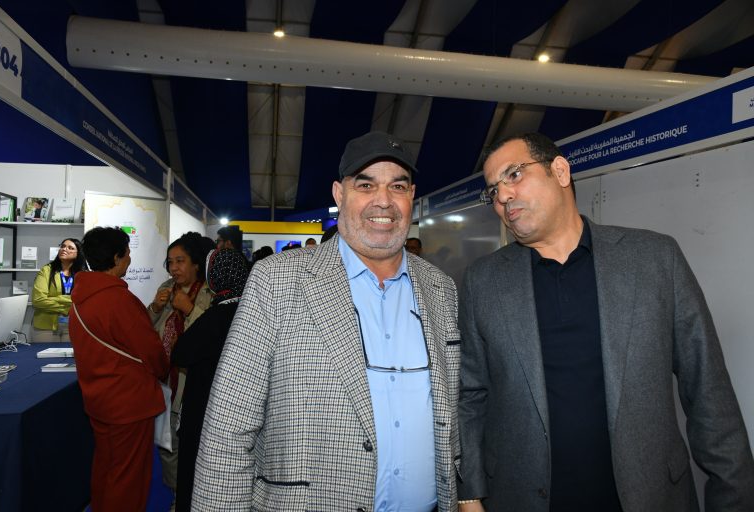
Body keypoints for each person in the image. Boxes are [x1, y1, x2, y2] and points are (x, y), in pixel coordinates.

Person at [457, 132, 754, 511]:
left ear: (560, 171)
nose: (503, 196)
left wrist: (734, 500)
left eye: (514, 175)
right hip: (524, 498)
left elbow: (708, 390)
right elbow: (471, 395)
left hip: (648, 496)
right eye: (493, 190)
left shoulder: (654, 259)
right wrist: (469, 495)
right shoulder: (483, 281)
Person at [193, 131, 461, 511]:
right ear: (339, 194)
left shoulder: (441, 288)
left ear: (411, 196)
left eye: (397, 186)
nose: (384, 200)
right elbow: (228, 428)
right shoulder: (277, 280)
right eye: (366, 185)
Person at [69, 227, 169, 512]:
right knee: (128, 479)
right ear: (116, 257)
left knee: (106, 469)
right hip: (128, 402)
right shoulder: (118, 299)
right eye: (126, 253)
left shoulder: (81, 297)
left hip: (99, 399)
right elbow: (150, 350)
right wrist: (163, 370)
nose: (129, 258)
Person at [171, 248, 249, 511]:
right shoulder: (253, 311)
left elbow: (181, 353)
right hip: (243, 410)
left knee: (196, 475)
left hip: (206, 408)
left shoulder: (217, 315)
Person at [147, 231, 214, 497]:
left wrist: (188, 308)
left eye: (180, 261)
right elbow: (146, 330)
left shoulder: (209, 291)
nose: (174, 268)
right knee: (167, 446)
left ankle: (197, 496)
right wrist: (155, 308)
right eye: (170, 262)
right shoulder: (166, 288)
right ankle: (177, 497)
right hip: (165, 382)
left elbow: (213, 336)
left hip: (193, 383)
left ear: (196, 263)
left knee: (195, 445)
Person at [31, 238, 86, 342]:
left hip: (74, 326)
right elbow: (38, 300)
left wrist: (56, 298)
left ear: (78, 253)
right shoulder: (46, 270)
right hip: (45, 327)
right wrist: (67, 306)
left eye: (70, 248)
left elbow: (84, 301)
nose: (64, 249)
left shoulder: (83, 274)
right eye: (63, 246)